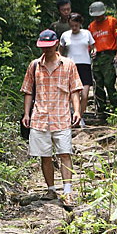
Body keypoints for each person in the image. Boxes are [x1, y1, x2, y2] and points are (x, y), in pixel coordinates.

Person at [21, 29, 83, 208]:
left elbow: (75, 90)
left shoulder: (68, 65)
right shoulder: (34, 66)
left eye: (49, 47)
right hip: (40, 117)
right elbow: (28, 91)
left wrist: (77, 111)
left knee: (65, 154)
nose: (46, 50)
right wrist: (26, 114)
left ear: (56, 44)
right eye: (43, 47)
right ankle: (51, 189)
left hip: (62, 116)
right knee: (45, 156)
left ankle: (68, 192)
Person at [59, 13, 95, 128]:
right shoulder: (65, 35)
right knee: (71, 93)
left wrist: (94, 51)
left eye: (76, 25)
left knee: (84, 94)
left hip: (85, 65)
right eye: (72, 26)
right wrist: (60, 60)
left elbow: (93, 46)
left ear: (80, 24)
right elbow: (59, 51)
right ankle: (71, 116)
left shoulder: (87, 33)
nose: (74, 28)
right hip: (70, 66)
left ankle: (80, 116)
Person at [87, 1, 117, 123]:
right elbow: (91, 43)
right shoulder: (91, 26)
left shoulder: (112, 21)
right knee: (98, 84)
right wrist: (92, 52)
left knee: (109, 82)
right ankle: (101, 111)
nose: (97, 17)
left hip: (109, 55)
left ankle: (116, 107)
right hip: (97, 57)